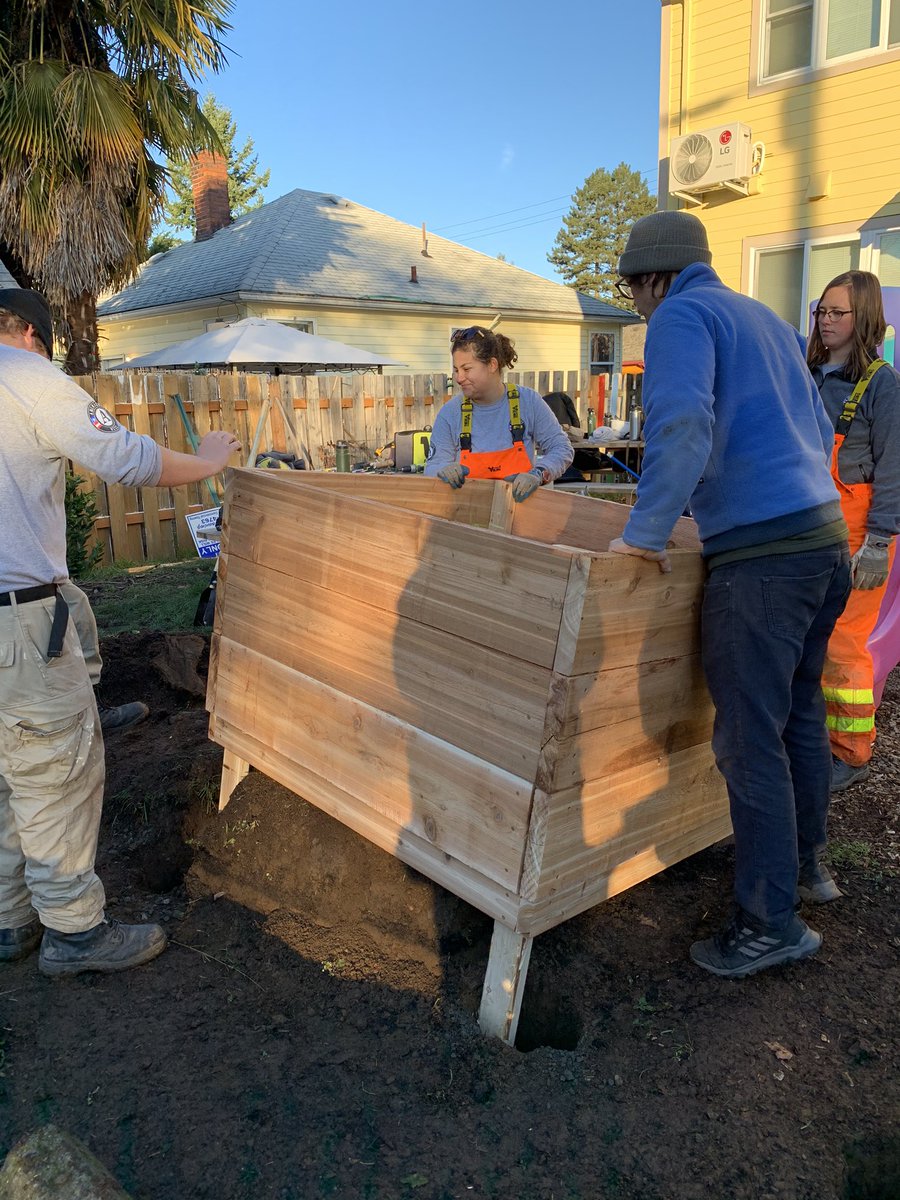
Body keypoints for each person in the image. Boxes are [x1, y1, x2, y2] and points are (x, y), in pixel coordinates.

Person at [609, 212, 850, 979]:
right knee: (798, 717)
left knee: (748, 739)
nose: (640, 307)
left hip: (764, 562)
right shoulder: (765, 319)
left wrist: (644, 535)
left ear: (654, 278)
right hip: (821, 542)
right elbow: (817, 426)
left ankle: (769, 923)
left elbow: (681, 423)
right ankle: (805, 868)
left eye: (634, 291)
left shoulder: (682, 314)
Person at [0, 288, 240, 975]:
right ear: (34, 336)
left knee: (4, 768)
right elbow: (127, 458)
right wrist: (210, 462)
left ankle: (10, 919)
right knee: (54, 771)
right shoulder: (24, 376)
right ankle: (74, 931)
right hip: (14, 620)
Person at [807, 271, 900, 793]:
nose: (826, 320)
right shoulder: (811, 374)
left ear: (863, 318)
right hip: (809, 523)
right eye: (822, 311)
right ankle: (813, 738)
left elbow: (893, 470)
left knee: (844, 644)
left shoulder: (882, 383)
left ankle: (850, 753)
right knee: (807, 639)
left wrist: (879, 544)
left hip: (857, 532)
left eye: (838, 312)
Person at [425, 327, 573, 497]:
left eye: (466, 369)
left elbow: (562, 448)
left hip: (520, 513)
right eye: (457, 370)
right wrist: (442, 470)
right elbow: (432, 466)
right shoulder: (450, 413)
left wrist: (539, 473)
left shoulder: (528, 402)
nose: (459, 378)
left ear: (492, 365)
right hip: (467, 515)